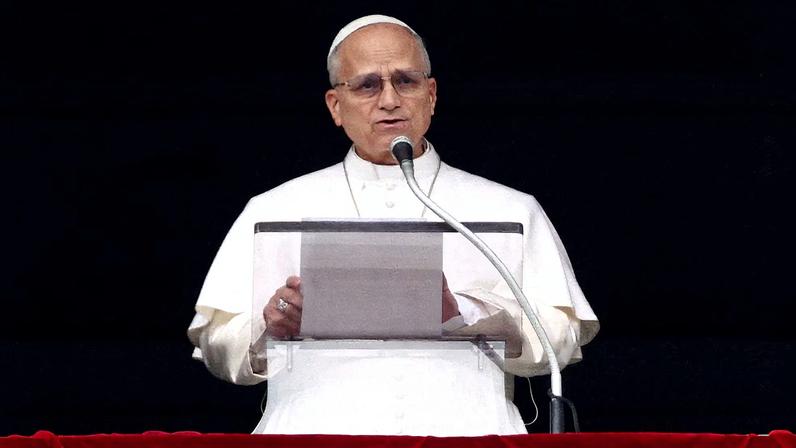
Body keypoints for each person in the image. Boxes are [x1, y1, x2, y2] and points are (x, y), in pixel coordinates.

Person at [187, 14, 599, 436]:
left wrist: (466, 317)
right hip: (312, 438)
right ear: (335, 105)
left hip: (470, 438)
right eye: (367, 85)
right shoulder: (272, 209)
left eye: (406, 81)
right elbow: (216, 347)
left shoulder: (510, 208)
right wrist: (269, 328)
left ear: (432, 95)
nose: (389, 100)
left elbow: (561, 340)